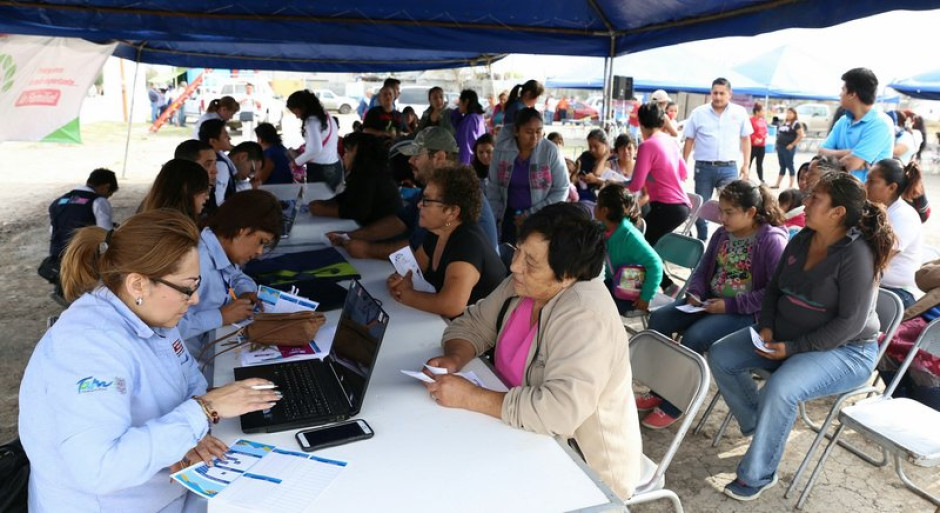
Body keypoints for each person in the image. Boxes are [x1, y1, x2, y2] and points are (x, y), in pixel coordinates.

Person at [20, 209, 280, 513]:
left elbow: (190, 381)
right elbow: (99, 469)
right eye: (187, 288)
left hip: (165, 491)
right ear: (138, 285)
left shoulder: (153, 317)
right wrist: (203, 411)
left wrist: (188, 436)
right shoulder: (88, 348)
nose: (194, 299)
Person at [423, 203, 642, 499]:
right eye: (518, 251)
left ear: (567, 276)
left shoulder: (585, 315)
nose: (515, 266)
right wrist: (455, 358)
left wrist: (472, 397)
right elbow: (472, 325)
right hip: (516, 433)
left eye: (531, 262)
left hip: (583, 470)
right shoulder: (524, 284)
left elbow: (560, 412)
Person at [708, 172, 895, 501]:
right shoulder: (801, 238)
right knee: (722, 355)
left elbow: (850, 325)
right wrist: (765, 325)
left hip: (847, 351)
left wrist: (793, 348)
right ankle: (761, 424)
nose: (804, 202)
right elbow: (773, 290)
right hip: (785, 335)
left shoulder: (856, 255)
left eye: (815, 198)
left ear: (837, 213)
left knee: (781, 388)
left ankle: (759, 474)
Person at [645, 180, 787, 429]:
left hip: (746, 313)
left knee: (695, 336)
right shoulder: (722, 234)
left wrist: (729, 306)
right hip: (708, 302)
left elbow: (773, 293)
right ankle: (659, 387)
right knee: (659, 320)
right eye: (721, 210)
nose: (721, 217)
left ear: (751, 212)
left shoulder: (770, 241)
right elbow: (703, 270)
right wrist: (696, 291)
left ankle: (675, 402)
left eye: (729, 212)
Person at [328, 127, 498, 259]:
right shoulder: (434, 187)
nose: (410, 161)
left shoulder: (454, 194)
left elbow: (418, 249)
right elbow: (400, 221)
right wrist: (349, 236)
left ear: (439, 157)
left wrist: (367, 250)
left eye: (417, 155)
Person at [178, 190, 282, 383]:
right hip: (188, 369)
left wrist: (246, 291)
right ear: (242, 229)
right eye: (261, 242)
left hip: (210, 350)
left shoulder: (220, 249)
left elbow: (235, 275)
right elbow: (169, 326)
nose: (259, 252)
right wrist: (221, 316)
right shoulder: (197, 263)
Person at [387, 166, 505, 318]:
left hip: (478, 336)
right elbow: (410, 271)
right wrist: (397, 281)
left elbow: (451, 305)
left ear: (452, 211)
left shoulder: (468, 244)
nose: (419, 205)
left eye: (427, 200)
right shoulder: (438, 232)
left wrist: (406, 295)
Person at [683, 78, 753, 241]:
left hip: (729, 168)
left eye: (722, 93)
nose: (718, 97)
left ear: (730, 94)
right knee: (700, 206)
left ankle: (728, 240)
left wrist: (746, 164)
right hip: (704, 168)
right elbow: (689, 139)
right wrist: (683, 164)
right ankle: (703, 240)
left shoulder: (740, 112)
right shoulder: (698, 113)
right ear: (711, 93)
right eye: (715, 93)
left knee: (732, 206)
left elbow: (746, 139)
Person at [487, 108, 568, 244]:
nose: (535, 137)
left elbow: (562, 189)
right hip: (508, 217)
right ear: (516, 131)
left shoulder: (550, 151)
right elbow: (493, 187)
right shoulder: (502, 151)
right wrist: (494, 218)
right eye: (529, 132)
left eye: (539, 131)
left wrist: (531, 214)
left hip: (542, 218)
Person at [43, 168, 119, 303]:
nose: (108, 197)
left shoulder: (59, 201)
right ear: (106, 187)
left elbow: (53, 230)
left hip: (58, 254)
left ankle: (63, 291)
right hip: (84, 256)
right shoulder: (98, 201)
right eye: (110, 193)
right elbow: (105, 233)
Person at [629, 103, 691, 251]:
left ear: (640, 122)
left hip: (666, 207)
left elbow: (635, 185)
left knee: (637, 247)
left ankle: (647, 275)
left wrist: (613, 182)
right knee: (650, 249)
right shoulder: (669, 140)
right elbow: (684, 173)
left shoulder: (646, 146)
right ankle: (659, 275)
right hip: (682, 207)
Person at [596, 184, 663, 314]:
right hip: (616, 283)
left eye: (596, 203)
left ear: (604, 211)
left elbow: (655, 264)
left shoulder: (629, 236)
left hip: (631, 293)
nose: (594, 207)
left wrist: (646, 297)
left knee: (595, 306)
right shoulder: (605, 228)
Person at [309, 132, 403, 225]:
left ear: (360, 156)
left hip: (385, 231)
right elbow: (347, 195)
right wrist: (327, 203)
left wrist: (324, 210)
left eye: (347, 152)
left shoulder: (370, 176)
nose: (344, 156)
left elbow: (357, 212)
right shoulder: (365, 173)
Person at [865, 158, 924, 308]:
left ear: (892, 187)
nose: (865, 186)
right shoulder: (872, 210)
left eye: (871, 181)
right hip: (874, 286)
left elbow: (878, 259)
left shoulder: (905, 217)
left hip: (898, 294)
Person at [819, 67, 894, 182]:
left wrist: (837, 159)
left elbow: (850, 164)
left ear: (852, 94)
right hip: (838, 191)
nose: (840, 94)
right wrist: (848, 153)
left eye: (843, 90)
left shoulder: (880, 124)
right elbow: (821, 153)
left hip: (864, 196)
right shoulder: (843, 121)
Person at [286, 90, 342, 189]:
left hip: (321, 170)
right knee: (330, 202)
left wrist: (296, 162)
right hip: (335, 167)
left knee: (317, 203)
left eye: (295, 111)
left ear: (302, 107)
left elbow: (315, 149)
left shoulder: (311, 121)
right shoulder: (327, 117)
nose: (296, 116)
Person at [139, 159, 211, 223]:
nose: (207, 196)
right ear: (186, 190)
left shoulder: (142, 219)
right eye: (203, 190)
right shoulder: (179, 231)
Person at [575, 129, 624, 206]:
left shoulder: (613, 159)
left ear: (605, 144)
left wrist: (604, 157)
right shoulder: (586, 156)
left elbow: (597, 174)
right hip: (581, 196)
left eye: (596, 146)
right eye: (590, 146)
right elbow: (576, 171)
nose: (592, 150)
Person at [175, 139, 219, 218]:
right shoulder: (172, 206)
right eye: (208, 164)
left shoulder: (209, 192)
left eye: (215, 163)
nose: (215, 171)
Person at [199, 118, 236, 207]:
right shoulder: (219, 165)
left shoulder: (221, 156)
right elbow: (218, 200)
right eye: (225, 136)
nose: (229, 138)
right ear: (213, 141)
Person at [453, 89, 487, 166]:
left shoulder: (470, 120)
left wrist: (464, 166)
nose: (458, 105)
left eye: (460, 102)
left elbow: (467, 146)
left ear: (466, 102)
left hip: (468, 163)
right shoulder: (477, 116)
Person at [772, 107, 804, 189]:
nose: (788, 114)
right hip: (780, 147)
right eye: (788, 113)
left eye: (790, 113)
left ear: (794, 114)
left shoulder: (796, 124)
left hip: (788, 148)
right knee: (782, 165)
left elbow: (801, 135)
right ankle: (777, 184)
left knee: (790, 165)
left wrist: (792, 144)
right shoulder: (785, 123)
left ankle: (790, 185)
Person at [749, 103, 768, 184]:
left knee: (759, 163)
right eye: (762, 111)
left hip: (761, 145)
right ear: (757, 112)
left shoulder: (763, 120)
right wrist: (754, 139)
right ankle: (744, 177)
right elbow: (748, 132)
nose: (763, 112)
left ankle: (761, 179)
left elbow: (765, 131)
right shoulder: (750, 120)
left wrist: (763, 138)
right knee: (748, 162)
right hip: (753, 145)